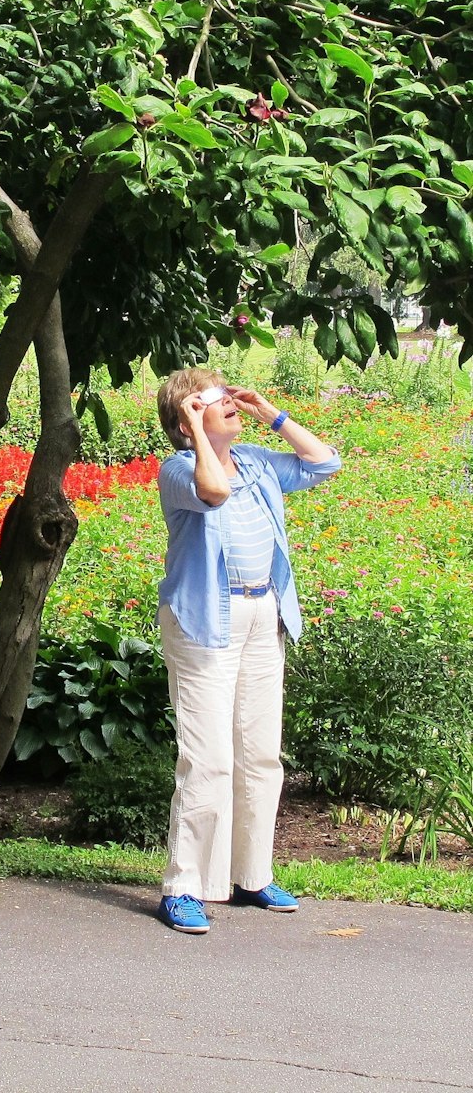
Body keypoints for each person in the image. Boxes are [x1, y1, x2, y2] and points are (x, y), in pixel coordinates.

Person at [154, 370, 340, 935]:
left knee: (259, 754)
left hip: (265, 616)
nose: (231, 403)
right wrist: (193, 430)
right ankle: (184, 886)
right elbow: (215, 492)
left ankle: (250, 876)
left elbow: (325, 462)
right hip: (206, 620)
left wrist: (270, 414)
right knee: (207, 759)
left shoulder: (257, 461)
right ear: (188, 423)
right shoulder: (181, 469)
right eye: (215, 401)